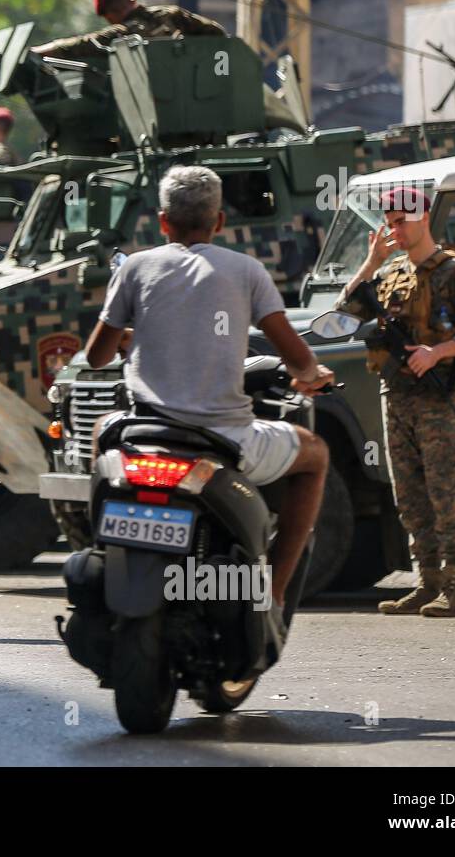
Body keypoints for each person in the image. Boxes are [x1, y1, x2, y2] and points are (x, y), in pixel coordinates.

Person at [83, 166, 334, 619]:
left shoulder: (135, 267)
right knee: (315, 456)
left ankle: (103, 549)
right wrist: (311, 374)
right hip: (226, 439)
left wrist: (128, 337)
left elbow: (96, 356)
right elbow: (295, 355)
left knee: (103, 430)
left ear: (162, 222)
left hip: (145, 432)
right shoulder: (246, 271)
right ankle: (274, 592)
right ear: (219, 222)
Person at [337, 186, 455, 618]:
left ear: (423, 216)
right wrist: (370, 262)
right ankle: (425, 583)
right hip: (397, 397)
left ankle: (454, 589)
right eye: (389, 224)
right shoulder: (389, 274)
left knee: (444, 493)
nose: (395, 231)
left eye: (401, 222)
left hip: (436, 400)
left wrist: (436, 353)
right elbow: (345, 312)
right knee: (408, 496)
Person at [31, 0, 225, 61]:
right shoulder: (173, 15)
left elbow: (79, 45)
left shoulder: (120, 35)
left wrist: (34, 52)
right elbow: (218, 34)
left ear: (109, 17)